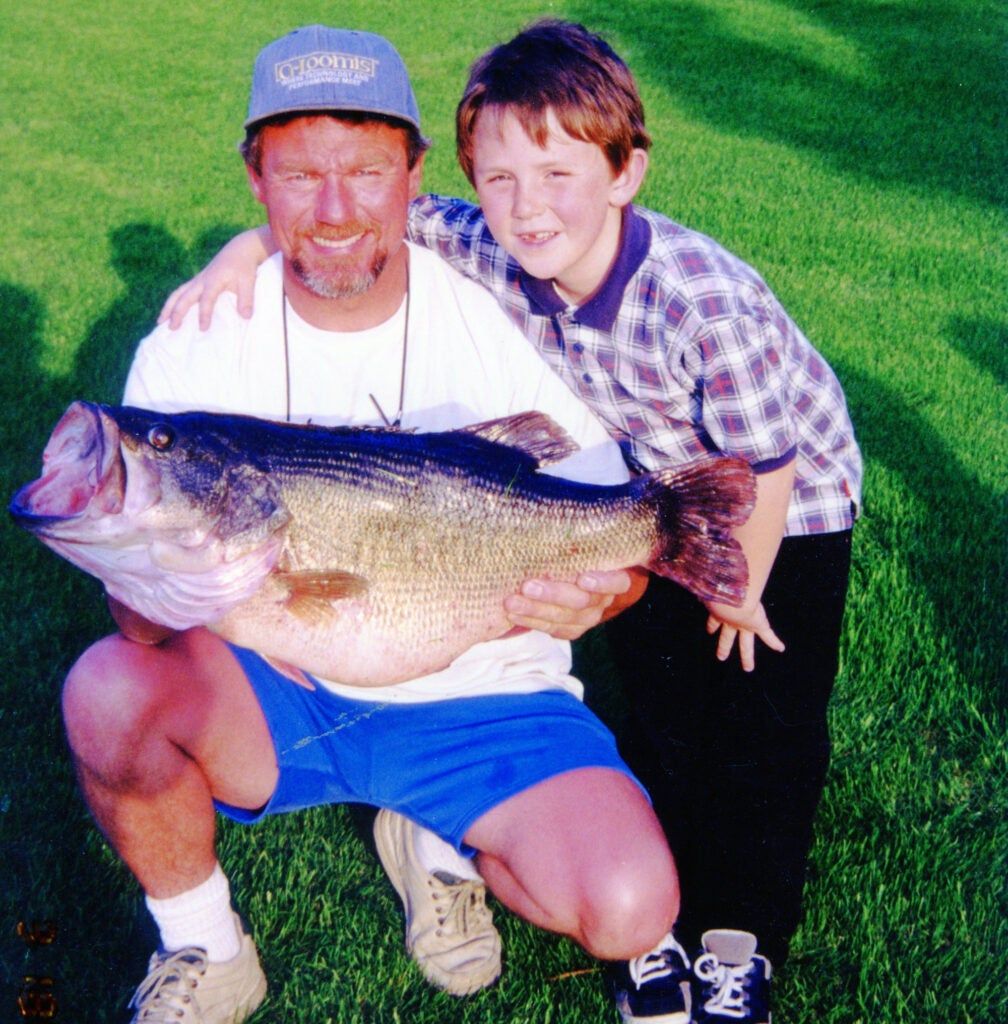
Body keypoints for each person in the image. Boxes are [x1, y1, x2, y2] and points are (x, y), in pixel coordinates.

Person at [163, 18, 863, 1024]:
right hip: (652, 485)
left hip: (789, 504)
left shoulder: (704, 305)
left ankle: (737, 935)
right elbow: (375, 215)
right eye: (499, 179)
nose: (527, 209)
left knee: (760, 719)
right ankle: (659, 913)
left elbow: (774, 457)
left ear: (627, 172)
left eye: (558, 176)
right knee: (663, 706)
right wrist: (244, 248)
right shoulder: (491, 238)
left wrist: (738, 588)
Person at [62, 24, 694, 1024]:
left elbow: (600, 524)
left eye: (365, 169)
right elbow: (146, 630)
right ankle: (205, 944)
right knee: (106, 688)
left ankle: (435, 830)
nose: (336, 209)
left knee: (630, 906)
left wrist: (605, 587)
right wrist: (139, 580)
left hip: (484, 689)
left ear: (413, 171)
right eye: (301, 173)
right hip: (275, 687)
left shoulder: (489, 315)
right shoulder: (195, 342)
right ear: (255, 178)